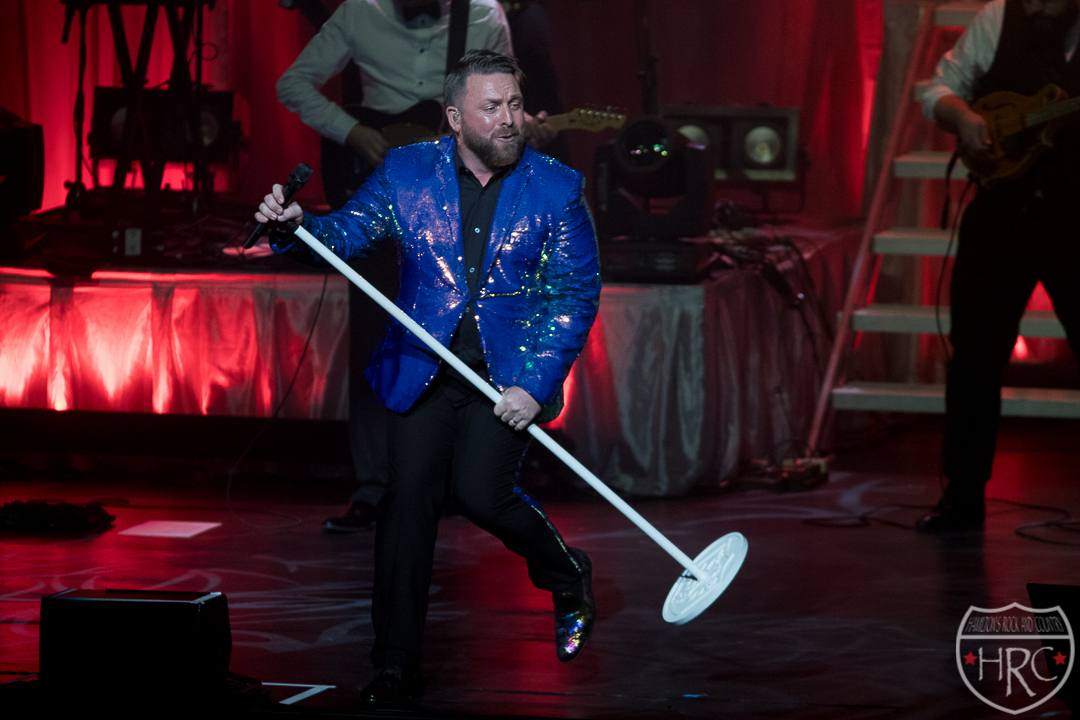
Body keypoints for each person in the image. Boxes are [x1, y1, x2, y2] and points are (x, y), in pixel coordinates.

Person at [257, 50, 600, 700]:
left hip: (504, 377)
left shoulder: (556, 187)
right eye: (491, 107)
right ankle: (394, 661)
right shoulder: (407, 170)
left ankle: (566, 573)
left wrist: (534, 384)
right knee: (406, 503)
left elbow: (574, 295)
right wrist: (296, 228)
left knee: (481, 495)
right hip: (423, 365)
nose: (509, 119)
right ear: (454, 117)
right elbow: (347, 236)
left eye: (514, 104)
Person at [276, 0, 556, 533]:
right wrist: (354, 132)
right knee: (375, 338)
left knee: (455, 335)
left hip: (456, 197)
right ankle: (372, 488)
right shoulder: (360, 12)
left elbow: (500, 100)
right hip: (379, 185)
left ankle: (448, 483)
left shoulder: (483, 15)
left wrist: (517, 128)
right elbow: (293, 83)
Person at [918, 0, 1080, 532]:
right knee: (974, 357)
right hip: (1001, 214)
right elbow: (938, 89)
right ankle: (963, 497)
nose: (1036, 7)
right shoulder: (996, 18)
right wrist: (965, 118)